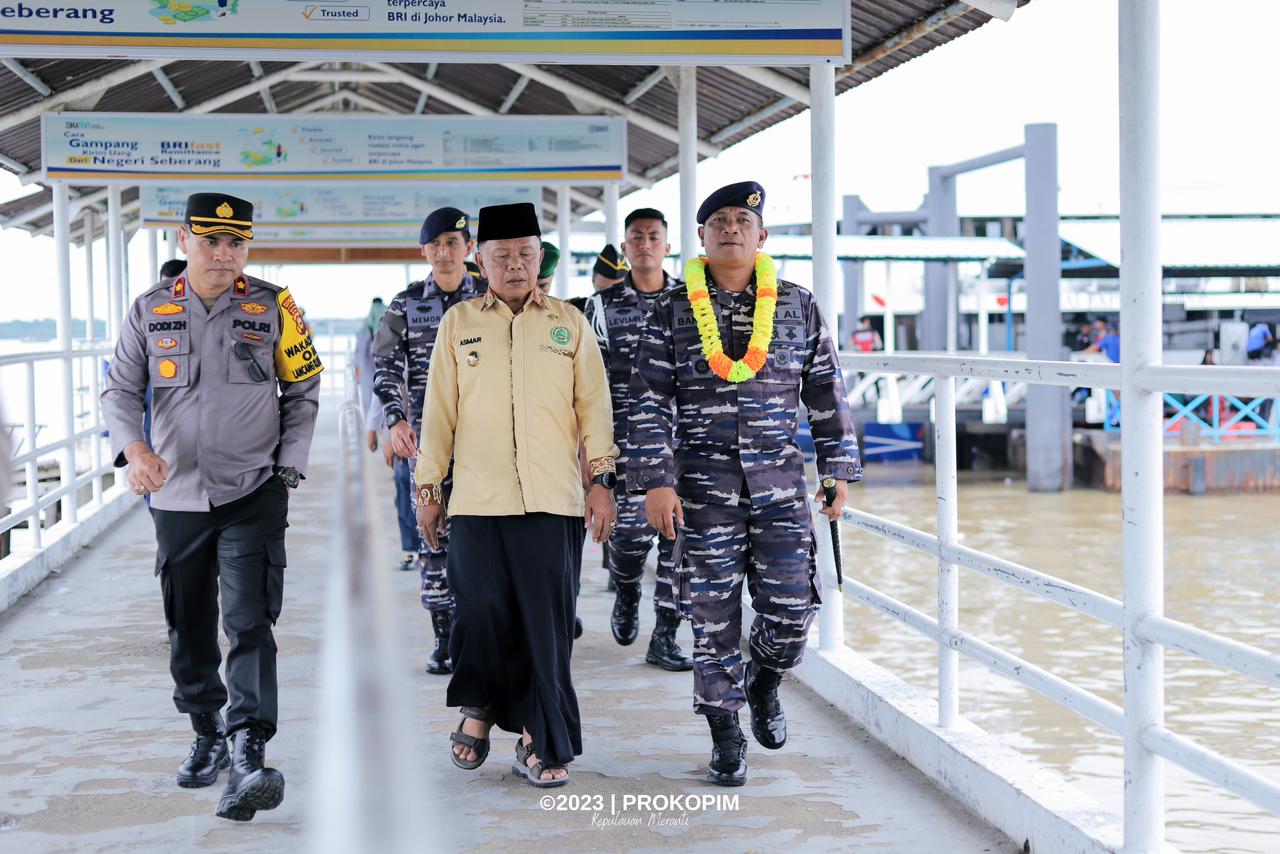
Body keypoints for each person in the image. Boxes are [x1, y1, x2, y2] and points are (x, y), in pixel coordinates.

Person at [628, 181, 861, 787]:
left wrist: (837, 469)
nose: (731, 229)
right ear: (701, 239)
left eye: (742, 220)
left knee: (790, 607)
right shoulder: (669, 311)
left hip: (780, 485)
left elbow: (825, 394)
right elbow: (647, 403)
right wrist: (656, 481)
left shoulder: (796, 305)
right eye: (718, 222)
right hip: (701, 487)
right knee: (711, 614)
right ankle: (725, 733)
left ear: (763, 237)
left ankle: (765, 679)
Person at [101, 193, 322, 820]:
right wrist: (136, 450)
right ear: (183, 241)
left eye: (236, 242)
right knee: (189, 621)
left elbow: (303, 386)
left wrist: (290, 462)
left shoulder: (272, 305)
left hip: (253, 490)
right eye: (211, 242)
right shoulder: (150, 309)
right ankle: (206, 732)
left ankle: (249, 747)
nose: (224, 254)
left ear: (247, 245)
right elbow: (119, 389)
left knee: (249, 620)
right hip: (174, 496)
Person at [416, 201, 617, 788]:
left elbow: (594, 410)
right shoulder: (458, 324)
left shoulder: (569, 323)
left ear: (540, 259)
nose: (515, 265)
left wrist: (600, 483)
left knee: (546, 625)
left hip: (552, 501)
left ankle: (538, 739)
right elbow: (438, 414)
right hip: (476, 500)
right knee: (479, 613)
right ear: (481, 260)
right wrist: (428, 489)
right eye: (502, 255)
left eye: (526, 255)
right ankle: (478, 707)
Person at [373, 207, 486, 675]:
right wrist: (395, 420)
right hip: (424, 444)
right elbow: (385, 365)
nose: (444, 252)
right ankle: (443, 636)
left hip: (485, 441)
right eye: (435, 244)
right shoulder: (404, 304)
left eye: (452, 243)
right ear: (424, 251)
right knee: (432, 534)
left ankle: (478, 632)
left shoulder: (489, 296)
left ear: (469, 248)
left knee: (483, 538)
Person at [582, 207, 690, 671]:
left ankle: (664, 636)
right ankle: (626, 588)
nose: (645, 244)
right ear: (625, 248)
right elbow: (588, 382)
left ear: (667, 246)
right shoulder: (602, 307)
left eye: (654, 237)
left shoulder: (692, 301)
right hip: (625, 443)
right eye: (636, 238)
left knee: (679, 540)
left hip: (685, 443)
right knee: (627, 541)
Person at [355, 297, 386, 451]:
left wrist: (357, 369)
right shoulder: (387, 319)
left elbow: (359, 353)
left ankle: (372, 428)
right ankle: (378, 428)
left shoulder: (364, 327)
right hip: (381, 363)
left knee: (370, 396)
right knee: (382, 392)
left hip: (368, 367)